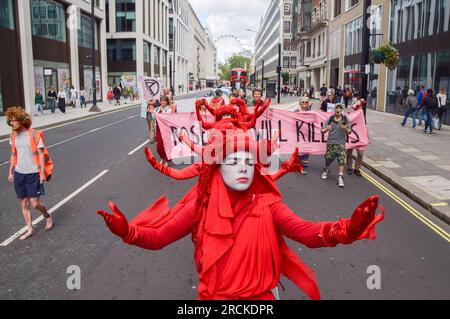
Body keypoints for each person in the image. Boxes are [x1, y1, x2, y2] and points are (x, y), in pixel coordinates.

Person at [97, 126, 384, 300]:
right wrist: (128, 232)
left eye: (249, 161)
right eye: (233, 160)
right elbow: (159, 237)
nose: (244, 167)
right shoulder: (202, 202)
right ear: (218, 167)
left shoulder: (267, 203)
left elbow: (308, 233)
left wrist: (348, 230)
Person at [6, 107, 53, 240]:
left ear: (21, 121)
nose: (12, 123)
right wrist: (11, 172)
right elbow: (13, 154)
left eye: (14, 121)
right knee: (24, 203)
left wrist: (42, 173)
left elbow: (41, 154)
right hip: (20, 173)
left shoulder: (34, 134)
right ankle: (30, 229)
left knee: (35, 204)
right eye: (11, 121)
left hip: (33, 173)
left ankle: (47, 215)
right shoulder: (13, 135)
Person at [321, 104, 352, 188]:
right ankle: (326, 169)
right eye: (336, 108)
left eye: (340, 108)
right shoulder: (329, 119)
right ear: (334, 109)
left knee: (341, 160)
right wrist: (327, 128)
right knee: (328, 159)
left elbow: (350, 131)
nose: (338, 110)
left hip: (341, 144)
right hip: (331, 143)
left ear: (342, 110)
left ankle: (340, 177)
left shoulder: (345, 119)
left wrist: (345, 128)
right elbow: (322, 131)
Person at [347, 98, 368, 177]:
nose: (360, 107)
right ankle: (349, 167)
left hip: (360, 138)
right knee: (349, 153)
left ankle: (357, 168)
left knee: (360, 153)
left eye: (361, 106)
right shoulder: (350, 115)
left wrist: (367, 137)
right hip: (351, 137)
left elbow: (365, 126)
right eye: (359, 106)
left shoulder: (362, 116)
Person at [295, 96, 312, 175]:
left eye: (306, 102)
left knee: (305, 150)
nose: (304, 103)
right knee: (297, 150)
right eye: (303, 102)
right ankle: (297, 166)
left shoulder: (311, 112)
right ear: (300, 103)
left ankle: (303, 167)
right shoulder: (296, 111)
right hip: (297, 134)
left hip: (306, 134)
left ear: (308, 103)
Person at [155, 96, 173, 165]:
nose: (163, 102)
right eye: (161, 100)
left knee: (166, 145)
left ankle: (166, 159)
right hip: (158, 129)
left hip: (165, 129)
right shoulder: (156, 109)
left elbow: (166, 117)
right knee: (159, 146)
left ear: (167, 102)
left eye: (164, 101)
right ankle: (163, 158)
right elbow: (154, 117)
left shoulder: (169, 109)